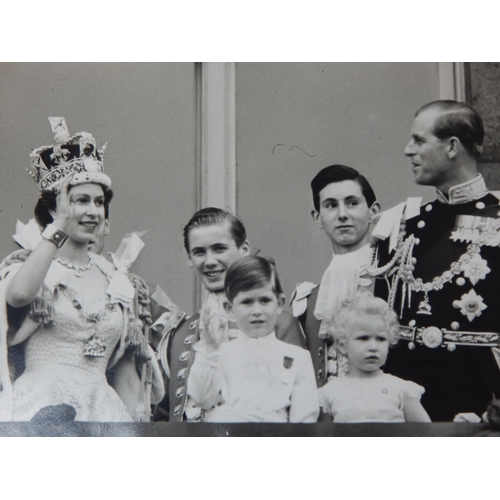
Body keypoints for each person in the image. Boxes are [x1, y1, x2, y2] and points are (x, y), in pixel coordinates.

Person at [0, 117, 163, 422]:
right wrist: (60, 225)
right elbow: (20, 295)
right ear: (53, 208)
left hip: (104, 412)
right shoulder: (30, 265)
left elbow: (125, 375)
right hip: (38, 411)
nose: (92, 211)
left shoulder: (114, 277)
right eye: (81, 201)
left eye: (99, 203)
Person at [374, 100, 500, 421]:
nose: (407, 150)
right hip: (406, 393)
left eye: (418, 140)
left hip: (478, 393)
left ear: (452, 147)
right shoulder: (403, 223)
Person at [152, 207, 306, 422]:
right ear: (189, 258)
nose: (210, 261)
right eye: (199, 252)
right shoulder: (181, 332)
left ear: (244, 249)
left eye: (219, 249)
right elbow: (165, 417)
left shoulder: (280, 323)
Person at [187, 255, 319, 423]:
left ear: (279, 303)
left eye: (264, 301)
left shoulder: (298, 357)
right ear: (230, 308)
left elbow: (304, 420)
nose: (256, 311)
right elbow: (201, 398)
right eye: (247, 302)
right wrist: (211, 349)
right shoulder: (219, 355)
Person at [291, 165, 385, 387]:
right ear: (318, 217)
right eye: (331, 205)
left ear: (373, 211)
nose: (342, 214)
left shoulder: (391, 283)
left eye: (352, 203)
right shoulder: (307, 298)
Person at [319, 290, 430, 423]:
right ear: (343, 345)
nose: (373, 347)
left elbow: (426, 433)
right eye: (363, 338)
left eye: (381, 339)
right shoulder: (331, 392)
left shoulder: (401, 389)